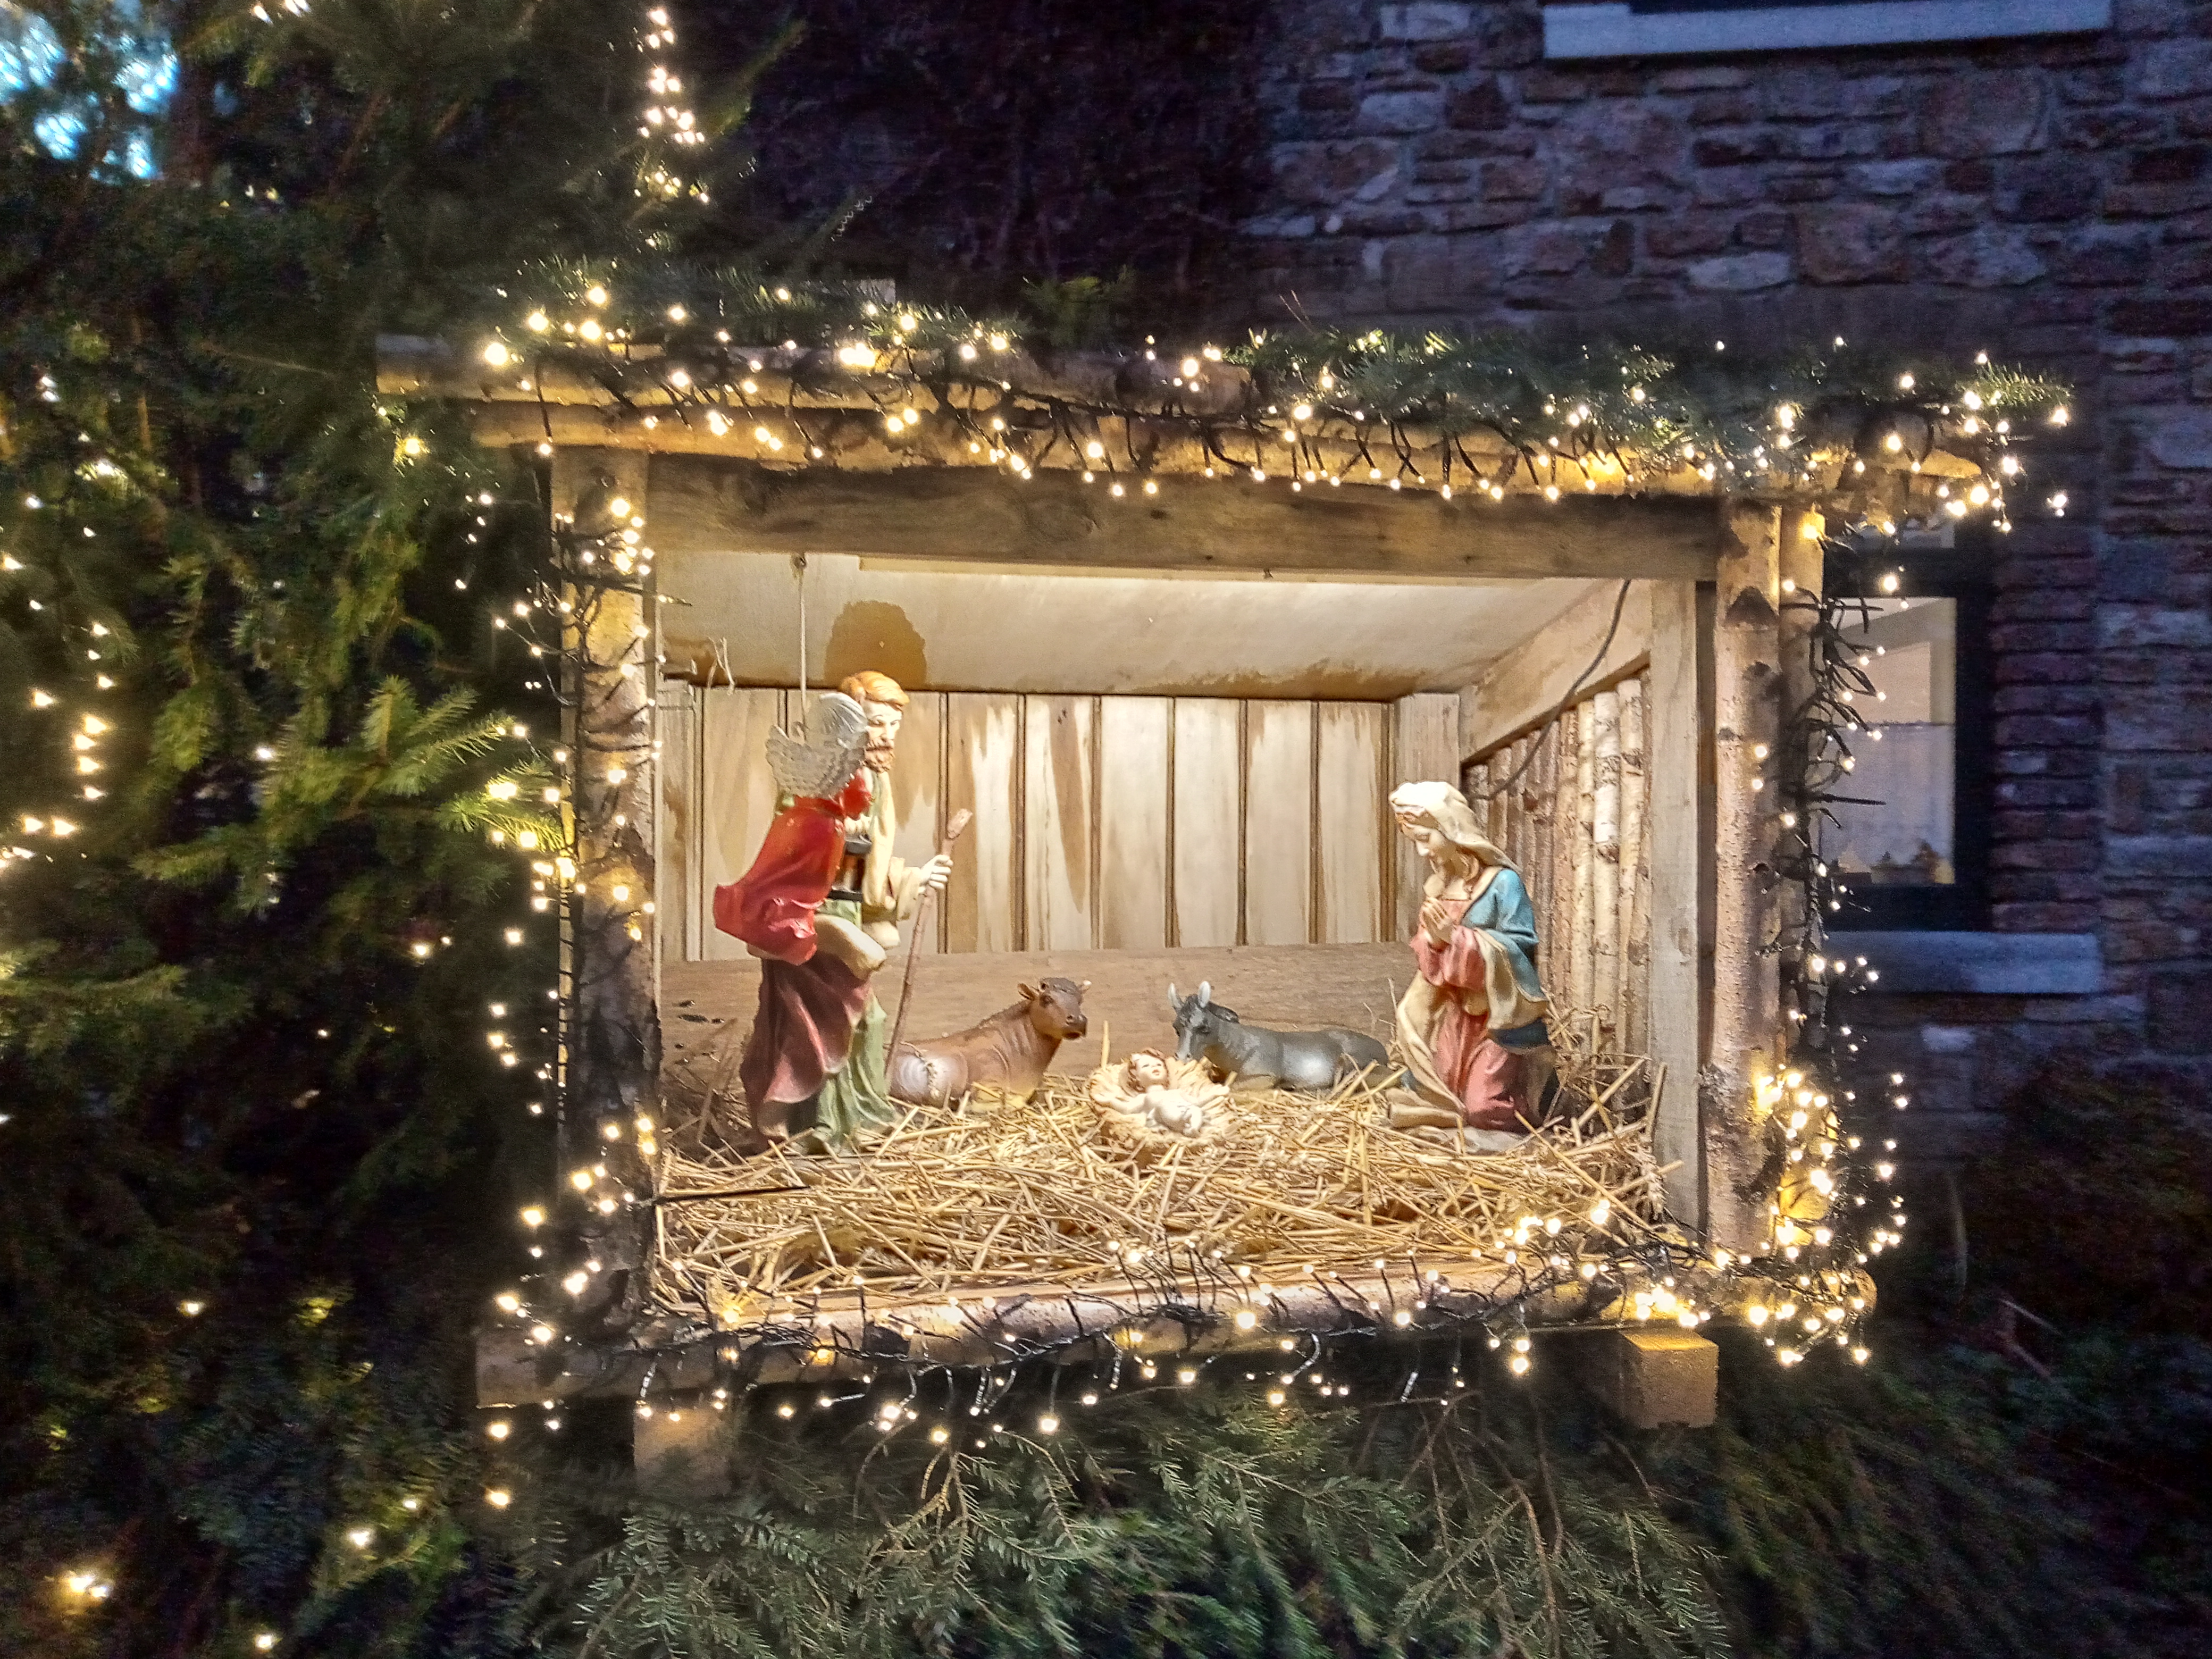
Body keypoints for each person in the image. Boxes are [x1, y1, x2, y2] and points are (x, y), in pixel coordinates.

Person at [1389, 780, 1553, 1142]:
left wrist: (1457, 938)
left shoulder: (1503, 884)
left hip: (1497, 1022)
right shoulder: (1438, 889)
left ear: (1452, 830)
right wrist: (1434, 942)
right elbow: (1430, 968)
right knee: (1438, 1095)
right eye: (1415, 841)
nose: (1422, 852)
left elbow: (1521, 948)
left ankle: (1536, 1110)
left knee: (1482, 1108)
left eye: (1425, 839)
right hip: (1455, 1016)